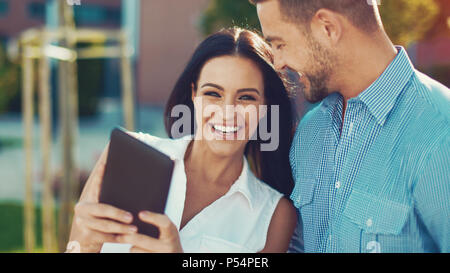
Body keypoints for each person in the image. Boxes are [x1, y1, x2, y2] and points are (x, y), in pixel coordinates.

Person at [67, 27, 297, 253]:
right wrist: (84, 246)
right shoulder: (123, 159)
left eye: (246, 97)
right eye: (213, 93)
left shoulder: (275, 216)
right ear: (194, 94)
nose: (227, 112)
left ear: (266, 107)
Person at [251, 0, 450, 252]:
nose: (278, 62)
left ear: (327, 28)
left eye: (280, 44)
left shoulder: (440, 132)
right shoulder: (310, 132)